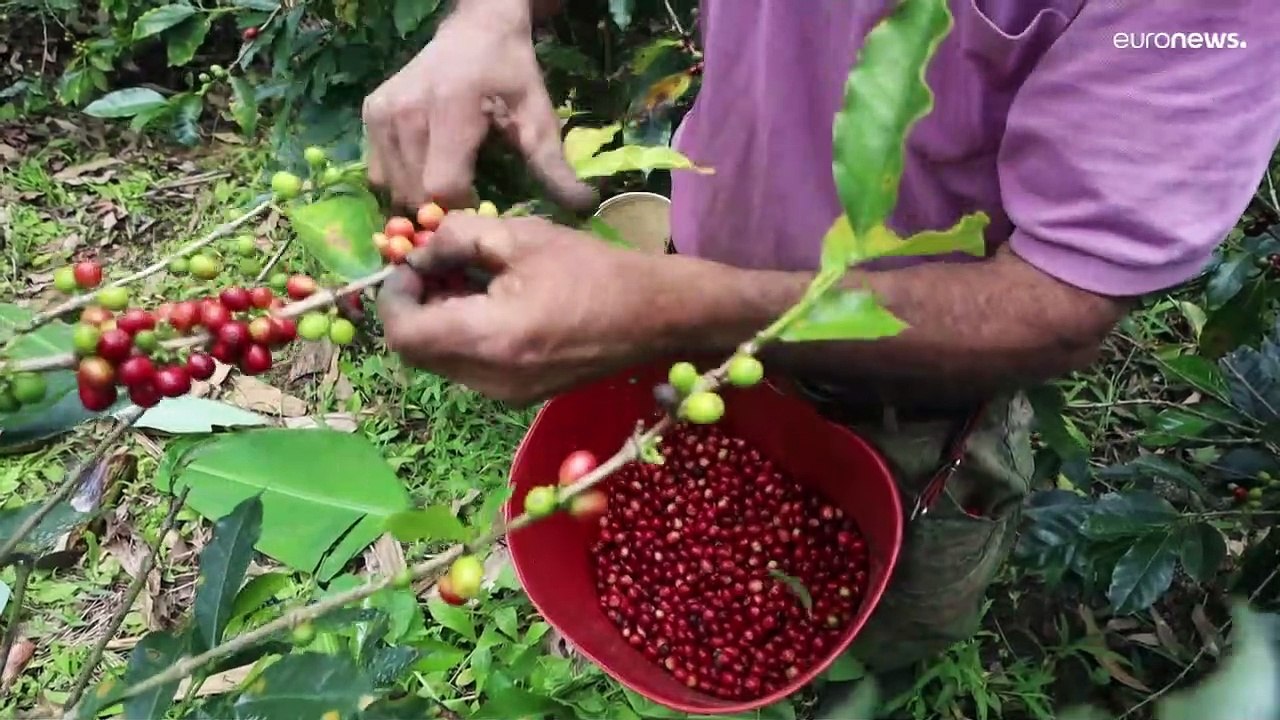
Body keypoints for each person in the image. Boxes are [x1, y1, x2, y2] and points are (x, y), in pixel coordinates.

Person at [364, 0, 1280, 712]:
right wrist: (491, 16)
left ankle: (874, 679)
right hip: (695, 283)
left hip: (913, 392)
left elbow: (1062, 302)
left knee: (895, 619)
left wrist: (671, 305)